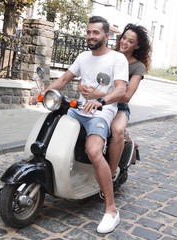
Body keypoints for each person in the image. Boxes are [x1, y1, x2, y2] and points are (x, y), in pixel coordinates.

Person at [31, 16, 128, 234]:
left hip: (101, 111)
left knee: (94, 151)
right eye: (88, 32)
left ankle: (111, 210)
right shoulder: (83, 57)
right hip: (79, 108)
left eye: (95, 33)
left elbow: (121, 90)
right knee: (52, 128)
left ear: (105, 35)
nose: (91, 36)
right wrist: (41, 93)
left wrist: (100, 100)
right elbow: (64, 79)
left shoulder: (117, 59)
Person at [78, 23, 152, 181]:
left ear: (137, 45)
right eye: (124, 38)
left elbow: (126, 96)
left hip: (119, 107)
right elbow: (87, 76)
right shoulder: (109, 55)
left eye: (131, 41)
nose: (125, 42)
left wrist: (99, 93)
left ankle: (110, 175)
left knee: (117, 130)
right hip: (97, 101)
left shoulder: (137, 67)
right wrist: (82, 87)